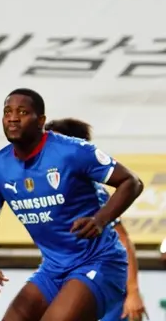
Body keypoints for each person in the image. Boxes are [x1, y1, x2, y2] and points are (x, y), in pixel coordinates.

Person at [0, 89, 144, 321]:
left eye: (22, 112)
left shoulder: (73, 152)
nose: (13, 118)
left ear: (41, 121)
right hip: (53, 269)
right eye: (7, 112)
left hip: (100, 262)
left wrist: (100, 220)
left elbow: (132, 182)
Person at [44, 118, 148, 321]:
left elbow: (123, 240)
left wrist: (133, 292)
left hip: (101, 284)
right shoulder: (53, 190)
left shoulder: (92, 193)